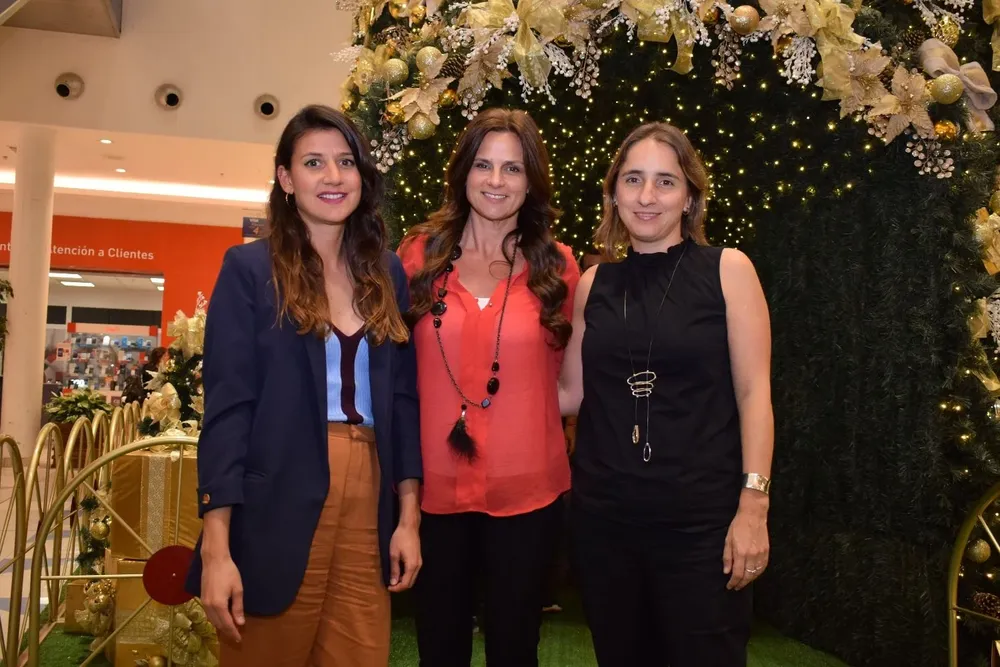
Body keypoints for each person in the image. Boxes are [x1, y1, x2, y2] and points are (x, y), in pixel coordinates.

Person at [185, 105, 423, 667]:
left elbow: (403, 401)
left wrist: (409, 518)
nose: (333, 177)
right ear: (286, 179)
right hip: (276, 495)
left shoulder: (385, 272)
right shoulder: (248, 269)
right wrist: (217, 547)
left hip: (369, 494)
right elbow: (228, 409)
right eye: (314, 163)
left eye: (346, 162)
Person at [559, 122, 774, 666]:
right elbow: (567, 395)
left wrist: (754, 506)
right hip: (605, 523)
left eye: (665, 181)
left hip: (702, 526)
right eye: (633, 180)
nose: (647, 197)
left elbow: (754, 393)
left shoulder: (728, 270)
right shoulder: (593, 284)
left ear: (690, 197)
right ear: (613, 194)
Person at [397, 108, 580, 667]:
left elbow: (572, 387)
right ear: (462, 172)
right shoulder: (416, 259)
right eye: (484, 165)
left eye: (513, 169)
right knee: (439, 646)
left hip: (529, 495)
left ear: (532, 182)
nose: (496, 182)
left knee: (515, 647)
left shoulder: (559, 269)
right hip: (433, 493)